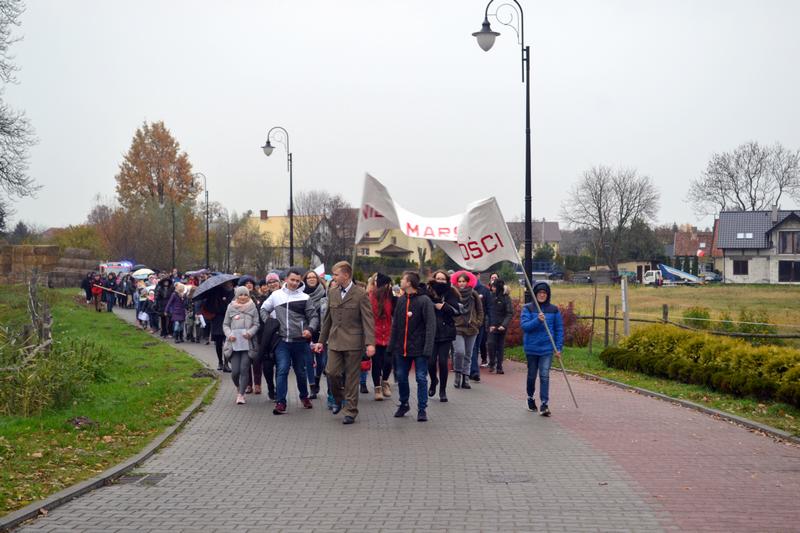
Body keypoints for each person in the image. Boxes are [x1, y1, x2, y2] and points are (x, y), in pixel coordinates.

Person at [314, 261, 375, 425]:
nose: (333, 277)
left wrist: (370, 343)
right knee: (331, 373)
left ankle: (350, 411)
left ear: (346, 275)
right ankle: (339, 398)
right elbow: (327, 319)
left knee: (351, 379)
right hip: (334, 341)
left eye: (336, 274)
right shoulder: (332, 292)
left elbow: (368, 320)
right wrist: (321, 341)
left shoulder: (360, 294)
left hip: (353, 342)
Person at [260, 267, 317, 415]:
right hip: (282, 341)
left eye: (297, 281)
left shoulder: (305, 297)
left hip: (300, 341)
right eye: (292, 280)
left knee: (301, 372)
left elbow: (313, 317)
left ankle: (304, 397)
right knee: (282, 370)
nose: (294, 283)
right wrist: (271, 324)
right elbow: (263, 309)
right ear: (285, 279)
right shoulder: (276, 295)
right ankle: (281, 403)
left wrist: (309, 329)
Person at [387, 271, 435, 422]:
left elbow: (430, 326)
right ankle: (404, 403)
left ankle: (422, 409)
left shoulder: (424, 300)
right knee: (401, 376)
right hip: (402, 348)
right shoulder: (401, 300)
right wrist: (391, 346)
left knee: (421, 378)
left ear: (409, 283)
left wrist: (428, 348)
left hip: (420, 348)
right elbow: (395, 325)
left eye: (403, 279)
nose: (400, 281)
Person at [520, 282, 564, 417]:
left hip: (547, 348)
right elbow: (525, 326)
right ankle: (530, 398)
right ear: (535, 294)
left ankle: (544, 404)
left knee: (544, 375)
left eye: (544, 293)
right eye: (539, 293)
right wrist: (537, 320)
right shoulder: (528, 308)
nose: (542, 295)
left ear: (548, 294)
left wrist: (558, 348)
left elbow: (559, 329)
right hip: (531, 347)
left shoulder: (554, 310)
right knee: (532, 375)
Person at [223, 286, 260, 405]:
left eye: (245, 295)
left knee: (244, 369)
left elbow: (256, 324)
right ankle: (238, 387)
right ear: (236, 296)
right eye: (240, 295)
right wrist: (229, 335)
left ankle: (241, 394)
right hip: (234, 344)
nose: (243, 297)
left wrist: (250, 333)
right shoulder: (230, 307)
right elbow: (225, 325)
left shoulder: (252, 307)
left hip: (248, 344)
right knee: (235, 372)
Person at [426, 269, 460, 402]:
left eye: (442, 279)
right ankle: (434, 381)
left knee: (443, 362)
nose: (440, 281)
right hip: (431, 332)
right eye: (438, 278)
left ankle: (442, 391)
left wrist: (443, 306)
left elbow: (457, 310)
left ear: (447, 280)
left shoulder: (451, 292)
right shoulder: (428, 291)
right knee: (431, 362)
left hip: (446, 331)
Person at [451, 271, 483, 390]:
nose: (461, 283)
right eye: (459, 281)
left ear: (468, 282)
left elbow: (480, 310)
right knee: (459, 352)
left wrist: (478, 323)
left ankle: (466, 378)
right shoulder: (453, 293)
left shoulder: (473, 294)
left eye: (464, 281)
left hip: (471, 327)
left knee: (468, 354)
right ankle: (458, 374)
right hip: (457, 328)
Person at [368, 272, 394, 401]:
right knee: (377, 363)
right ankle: (377, 388)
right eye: (388, 284)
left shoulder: (391, 298)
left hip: (388, 334)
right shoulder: (370, 297)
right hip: (375, 335)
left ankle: (385, 381)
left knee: (388, 362)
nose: (389, 286)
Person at [302, 269, 328, 399]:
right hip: (307, 332)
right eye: (309, 277)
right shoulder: (301, 295)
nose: (311, 279)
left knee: (321, 362)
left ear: (317, 279)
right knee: (308, 361)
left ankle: (317, 380)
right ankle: (312, 387)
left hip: (321, 332)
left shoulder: (324, 294)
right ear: (305, 280)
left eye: (314, 277)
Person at [487, 278, 514, 374]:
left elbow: (509, 312)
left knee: (500, 346)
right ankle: (491, 363)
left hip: (501, 326)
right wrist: (490, 324)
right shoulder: (490, 297)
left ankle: (499, 366)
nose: (492, 288)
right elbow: (488, 311)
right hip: (491, 325)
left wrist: (504, 325)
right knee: (490, 344)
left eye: (494, 287)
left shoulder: (506, 298)